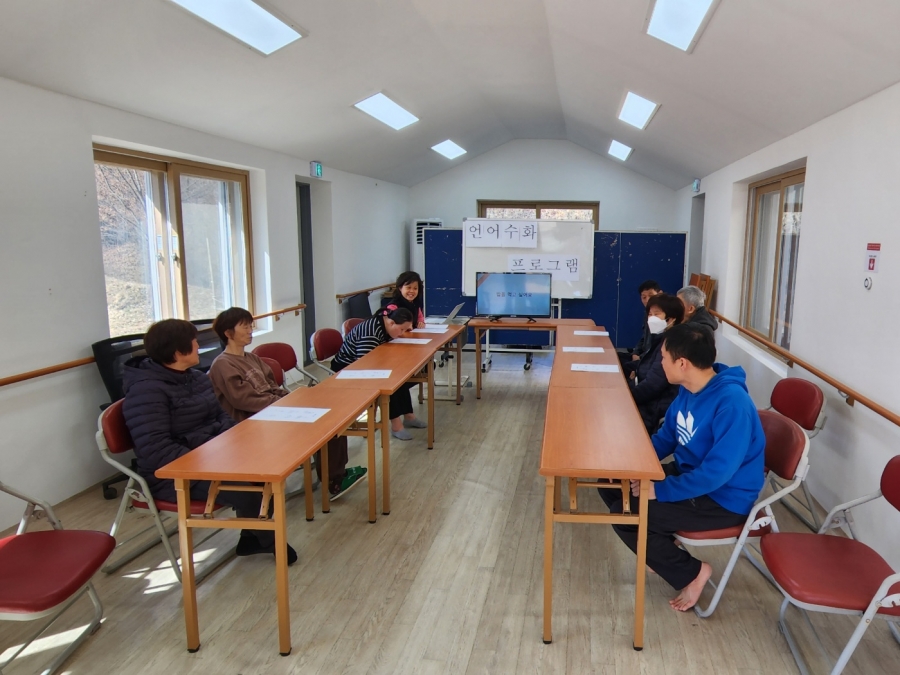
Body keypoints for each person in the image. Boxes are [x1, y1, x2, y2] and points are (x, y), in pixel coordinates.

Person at [600, 323, 765, 612]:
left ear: (682, 363)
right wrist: (631, 464)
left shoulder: (732, 404)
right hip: (692, 477)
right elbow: (666, 438)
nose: (660, 363)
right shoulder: (689, 389)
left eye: (663, 357)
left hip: (723, 498)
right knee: (613, 484)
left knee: (626, 514)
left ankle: (694, 572)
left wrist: (661, 490)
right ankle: (661, 550)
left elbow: (716, 473)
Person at [122, 319, 297, 564]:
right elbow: (156, 449)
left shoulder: (196, 378)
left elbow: (221, 417)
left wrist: (239, 443)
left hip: (211, 455)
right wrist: (213, 459)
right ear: (177, 352)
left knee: (266, 466)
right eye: (194, 342)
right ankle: (270, 541)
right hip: (174, 473)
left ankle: (251, 538)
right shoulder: (146, 391)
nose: (198, 346)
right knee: (247, 489)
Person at [207, 307, 367, 501]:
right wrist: (284, 403)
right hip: (254, 421)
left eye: (250, 326)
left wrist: (291, 398)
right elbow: (244, 400)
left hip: (275, 411)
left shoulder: (252, 358)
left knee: (332, 419)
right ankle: (334, 480)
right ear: (228, 333)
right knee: (324, 424)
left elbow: (272, 386)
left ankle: (335, 475)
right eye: (245, 327)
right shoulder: (223, 364)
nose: (250, 331)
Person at [331, 307, 424, 441]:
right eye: (401, 329)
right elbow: (365, 363)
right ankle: (396, 425)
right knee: (390, 382)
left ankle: (409, 416)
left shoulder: (384, 323)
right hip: (348, 367)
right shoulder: (370, 333)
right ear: (391, 323)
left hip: (368, 363)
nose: (402, 333)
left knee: (400, 376)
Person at [623, 293, 684, 434]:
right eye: (650, 314)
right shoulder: (661, 338)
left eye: (657, 314)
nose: (651, 318)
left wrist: (627, 398)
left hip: (654, 408)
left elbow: (653, 385)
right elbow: (647, 365)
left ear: (671, 319)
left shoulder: (671, 344)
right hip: (647, 399)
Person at [618, 280, 661, 368]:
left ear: (660, 294)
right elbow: (644, 337)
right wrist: (635, 353)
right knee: (615, 357)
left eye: (651, 296)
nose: (647, 300)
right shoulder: (647, 314)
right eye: (644, 297)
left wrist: (640, 358)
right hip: (642, 355)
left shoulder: (663, 317)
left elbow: (656, 347)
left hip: (649, 360)